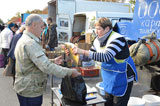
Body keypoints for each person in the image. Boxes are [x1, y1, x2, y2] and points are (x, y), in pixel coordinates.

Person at [14, 14, 81, 106]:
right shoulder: (30, 43)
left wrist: (53, 61)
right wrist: (70, 72)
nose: (42, 30)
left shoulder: (25, 39)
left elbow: (33, 62)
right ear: (34, 25)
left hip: (26, 87)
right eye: (42, 27)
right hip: (30, 90)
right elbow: (46, 67)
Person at [72, 17, 138, 106]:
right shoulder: (97, 40)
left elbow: (105, 57)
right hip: (109, 78)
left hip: (122, 77)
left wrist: (82, 51)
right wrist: (76, 54)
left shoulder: (117, 39)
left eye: (99, 29)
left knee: (118, 104)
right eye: (95, 28)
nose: (96, 31)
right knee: (108, 103)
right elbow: (91, 55)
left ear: (107, 29)